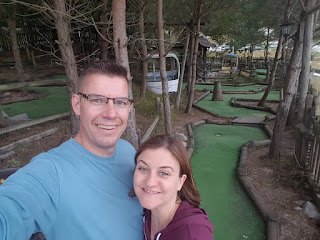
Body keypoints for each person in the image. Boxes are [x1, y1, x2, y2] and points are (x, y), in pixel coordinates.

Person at [0, 61, 143, 240]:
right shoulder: (50, 172)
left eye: (120, 102)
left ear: (129, 108)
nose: (111, 113)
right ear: (77, 104)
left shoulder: (127, 151)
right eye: (97, 100)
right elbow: (11, 210)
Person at [133, 135, 214, 240]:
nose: (150, 182)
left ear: (181, 181)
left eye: (164, 173)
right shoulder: (146, 212)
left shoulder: (192, 233)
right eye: (143, 169)